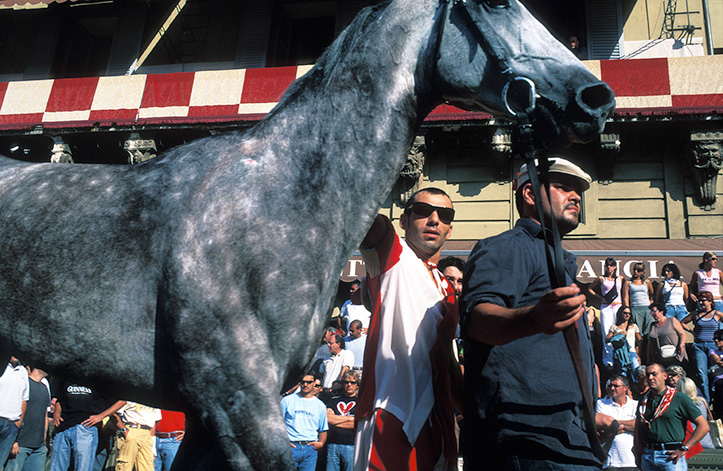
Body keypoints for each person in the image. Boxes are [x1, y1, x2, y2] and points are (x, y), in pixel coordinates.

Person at [462, 158, 603, 469]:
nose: (576, 197)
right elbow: (478, 320)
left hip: (570, 437)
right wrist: (533, 319)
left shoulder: (559, 260)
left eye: (579, 192)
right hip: (525, 438)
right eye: (563, 187)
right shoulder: (509, 247)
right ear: (529, 194)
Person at [355, 187, 460, 471]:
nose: (434, 220)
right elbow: (363, 215)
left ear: (450, 229)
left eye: (445, 215)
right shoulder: (394, 255)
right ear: (403, 221)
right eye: (423, 211)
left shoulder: (449, 290)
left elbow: (448, 364)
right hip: (391, 412)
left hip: (438, 422)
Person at [634, 363, 709, 470]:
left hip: (671, 455)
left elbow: (704, 426)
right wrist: (637, 452)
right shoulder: (644, 400)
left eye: (654, 374)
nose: (650, 378)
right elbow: (638, 429)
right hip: (648, 454)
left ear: (665, 376)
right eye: (648, 375)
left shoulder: (679, 398)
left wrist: (684, 448)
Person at [49, 381, 125, 471]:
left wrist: (101, 416)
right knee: (56, 467)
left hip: (85, 428)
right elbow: (59, 398)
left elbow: (122, 401)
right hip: (62, 428)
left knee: (83, 468)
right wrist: (56, 412)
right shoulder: (67, 378)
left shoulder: (99, 380)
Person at [4, 366, 50, 471]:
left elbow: (45, 415)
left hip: (39, 447)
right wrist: (14, 441)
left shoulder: (44, 388)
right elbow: (14, 412)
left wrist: (44, 440)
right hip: (20, 444)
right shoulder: (24, 383)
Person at [681, 291, 723, 402]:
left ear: (710, 302)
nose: (701, 303)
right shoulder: (696, 314)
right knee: (702, 374)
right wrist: (691, 331)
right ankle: (706, 401)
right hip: (699, 346)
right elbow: (682, 322)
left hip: (713, 346)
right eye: (699, 301)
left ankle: (716, 399)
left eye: (703, 300)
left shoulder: (717, 314)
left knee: (715, 373)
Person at [280, 373, 328, 471]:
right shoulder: (287, 400)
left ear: (314, 383)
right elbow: (277, 424)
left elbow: (323, 428)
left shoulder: (320, 405)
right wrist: (283, 442)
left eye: (309, 382)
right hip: (291, 447)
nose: (305, 385)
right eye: (303, 382)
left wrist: (321, 443)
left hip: (310, 449)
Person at [589, 257, 628, 367]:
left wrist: (626, 307)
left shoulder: (620, 278)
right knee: (606, 332)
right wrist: (599, 297)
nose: (609, 267)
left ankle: (619, 357)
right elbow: (590, 289)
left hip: (618, 306)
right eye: (607, 265)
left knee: (618, 330)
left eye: (611, 265)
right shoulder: (601, 279)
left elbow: (624, 293)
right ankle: (608, 360)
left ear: (615, 267)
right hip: (606, 306)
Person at [596, 375, 638, 471]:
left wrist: (613, 423)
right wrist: (628, 426)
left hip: (631, 460)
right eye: (610, 386)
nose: (612, 388)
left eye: (616, 386)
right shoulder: (601, 404)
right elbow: (602, 428)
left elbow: (638, 426)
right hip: (610, 461)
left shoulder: (635, 405)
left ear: (625, 388)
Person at [325, 370, 358, 471]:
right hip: (332, 444)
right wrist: (350, 418)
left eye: (353, 382)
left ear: (357, 385)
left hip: (352, 445)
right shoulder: (334, 400)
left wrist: (336, 420)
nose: (349, 385)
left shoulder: (360, 401)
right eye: (346, 382)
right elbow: (328, 419)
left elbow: (357, 424)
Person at [114, 401, 161, 471]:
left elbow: (154, 422)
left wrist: (153, 449)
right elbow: (113, 413)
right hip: (132, 429)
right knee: (125, 465)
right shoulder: (131, 397)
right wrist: (124, 430)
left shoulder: (155, 400)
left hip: (147, 433)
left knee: (147, 466)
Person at [0, 356, 29, 467]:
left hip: (12, 426)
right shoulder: (2, 365)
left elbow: (24, 400)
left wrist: (19, 422)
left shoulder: (23, 371)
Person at [676, 377, 716, 449]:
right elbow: (709, 417)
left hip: (690, 444)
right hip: (707, 442)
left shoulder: (681, 404)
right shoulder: (702, 401)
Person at [605, 305, 642, 379]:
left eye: (629, 313)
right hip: (620, 354)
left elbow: (640, 340)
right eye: (625, 313)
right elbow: (606, 340)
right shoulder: (615, 327)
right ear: (620, 313)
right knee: (622, 375)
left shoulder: (633, 326)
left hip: (632, 352)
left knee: (637, 373)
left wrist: (638, 354)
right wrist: (618, 334)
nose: (627, 315)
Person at [627, 262, 655, 335]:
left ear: (642, 272)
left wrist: (651, 301)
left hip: (647, 308)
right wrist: (627, 308)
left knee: (648, 330)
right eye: (634, 270)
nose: (636, 272)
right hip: (635, 308)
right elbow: (625, 297)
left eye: (638, 270)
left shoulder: (647, 282)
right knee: (637, 331)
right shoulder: (628, 283)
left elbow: (652, 293)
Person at [707, 329, 723, 419]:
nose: (716, 340)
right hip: (719, 381)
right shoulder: (713, 351)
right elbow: (717, 361)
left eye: (719, 338)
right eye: (715, 339)